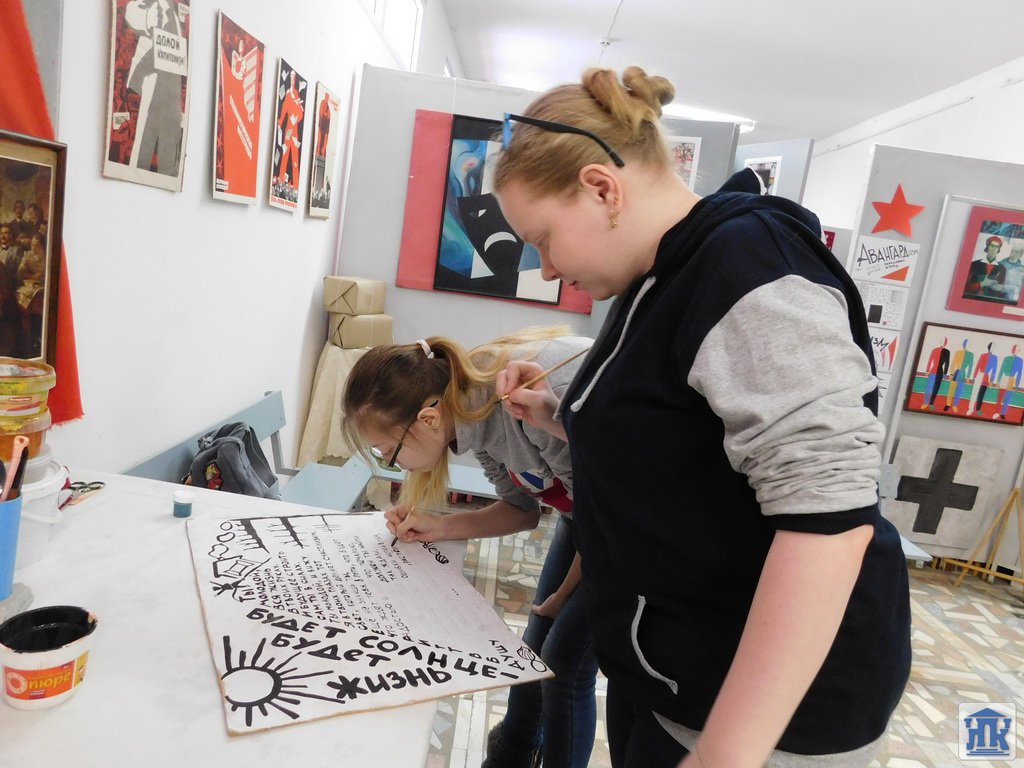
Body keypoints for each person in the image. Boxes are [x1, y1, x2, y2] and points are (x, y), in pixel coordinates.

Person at [491, 66, 911, 768]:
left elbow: (829, 520)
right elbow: (683, 444)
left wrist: (726, 754)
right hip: (672, 679)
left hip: (767, 717)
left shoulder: (749, 270)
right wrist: (561, 415)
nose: (548, 268)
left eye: (544, 238)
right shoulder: (659, 273)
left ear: (602, 189)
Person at [342, 328, 598, 768]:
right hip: (588, 516)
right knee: (535, 644)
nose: (392, 464)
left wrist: (562, 594)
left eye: (387, 452)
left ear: (427, 420)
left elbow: (602, 513)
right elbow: (522, 510)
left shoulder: (519, 401)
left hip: (642, 520)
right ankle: (513, 751)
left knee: (565, 664)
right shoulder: (470, 413)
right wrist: (439, 527)